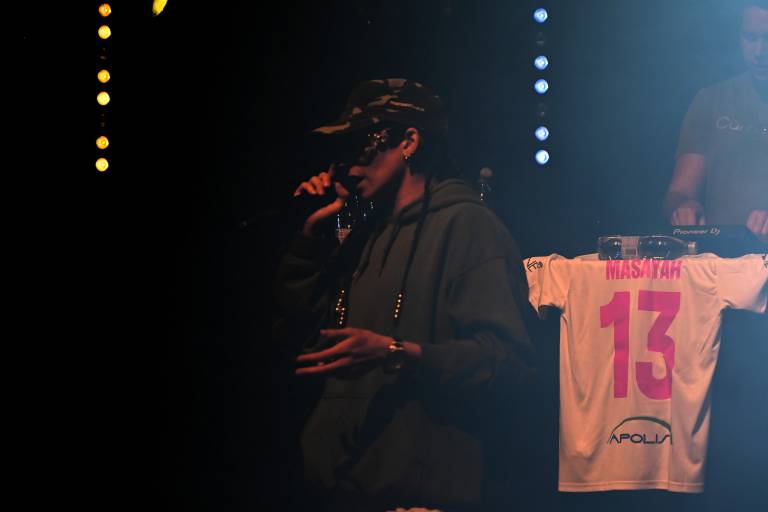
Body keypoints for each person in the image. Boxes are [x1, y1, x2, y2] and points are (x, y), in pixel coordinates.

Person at [272, 78, 536, 512]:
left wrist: (397, 353)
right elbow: (301, 341)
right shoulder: (362, 232)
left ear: (409, 142)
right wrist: (309, 240)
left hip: (416, 500)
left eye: (360, 146)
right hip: (339, 491)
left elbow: (508, 365)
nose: (345, 166)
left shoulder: (468, 226)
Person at [663, 0, 768, 243]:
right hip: (719, 259)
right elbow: (678, 193)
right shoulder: (711, 100)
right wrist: (684, 207)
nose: (759, 51)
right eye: (750, 37)